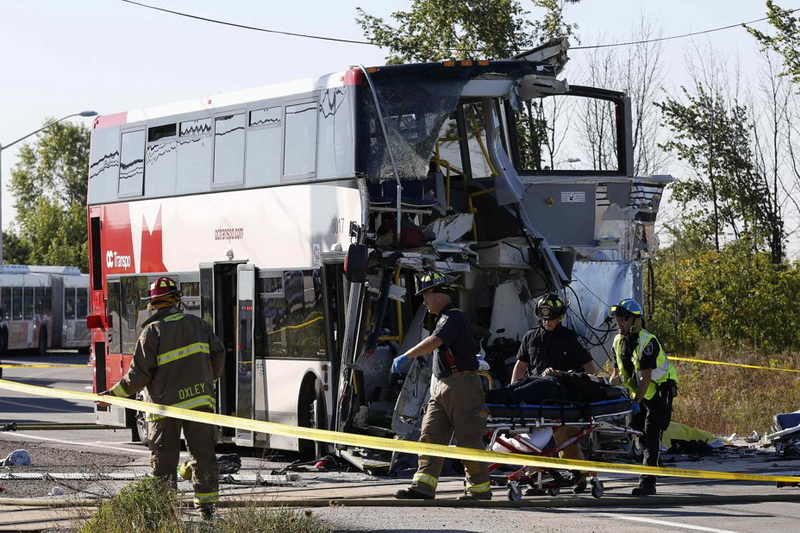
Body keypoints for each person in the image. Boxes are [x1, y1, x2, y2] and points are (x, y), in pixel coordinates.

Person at [97, 276, 225, 519]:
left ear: (152, 304)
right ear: (177, 300)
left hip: (164, 411)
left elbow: (137, 377)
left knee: (164, 465)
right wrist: (206, 381)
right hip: (200, 403)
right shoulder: (199, 325)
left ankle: (166, 513)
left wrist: (112, 396)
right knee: (204, 457)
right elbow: (218, 356)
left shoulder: (151, 332)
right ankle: (207, 510)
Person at [392, 271, 491, 501]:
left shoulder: (452, 317)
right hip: (442, 386)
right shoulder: (444, 318)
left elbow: (436, 340)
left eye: (426, 295)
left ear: (438, 294)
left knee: (468, 439)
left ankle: (479, 490)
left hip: (462, 385)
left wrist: (406, 355)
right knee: (430, 435)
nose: (424, 301)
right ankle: (423, 487)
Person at [510, 292, 596, 487]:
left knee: (565, 437)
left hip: (562, 398)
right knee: (534, 439)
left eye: (552, 319)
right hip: (536, 397)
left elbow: (590, 370)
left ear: (560, 317)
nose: (548, 322)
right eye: (544, 318)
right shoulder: (531, 337)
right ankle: (537, 475)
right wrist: (513, 390)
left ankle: (579, 475)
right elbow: (521, 366)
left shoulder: (570, 339)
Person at [609, 298, 678, 496]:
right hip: (638, 396)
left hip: (658, 393)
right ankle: (654, 462)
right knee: (634, 431)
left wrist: (637, 401)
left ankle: (648, 483)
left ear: (635, 320)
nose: (619, 323)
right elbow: (617, 375)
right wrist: (603, 385)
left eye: (623, 319)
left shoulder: (647, 341)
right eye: (618, 319)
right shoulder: (617, 341)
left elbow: (646, 376)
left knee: (651, 437)